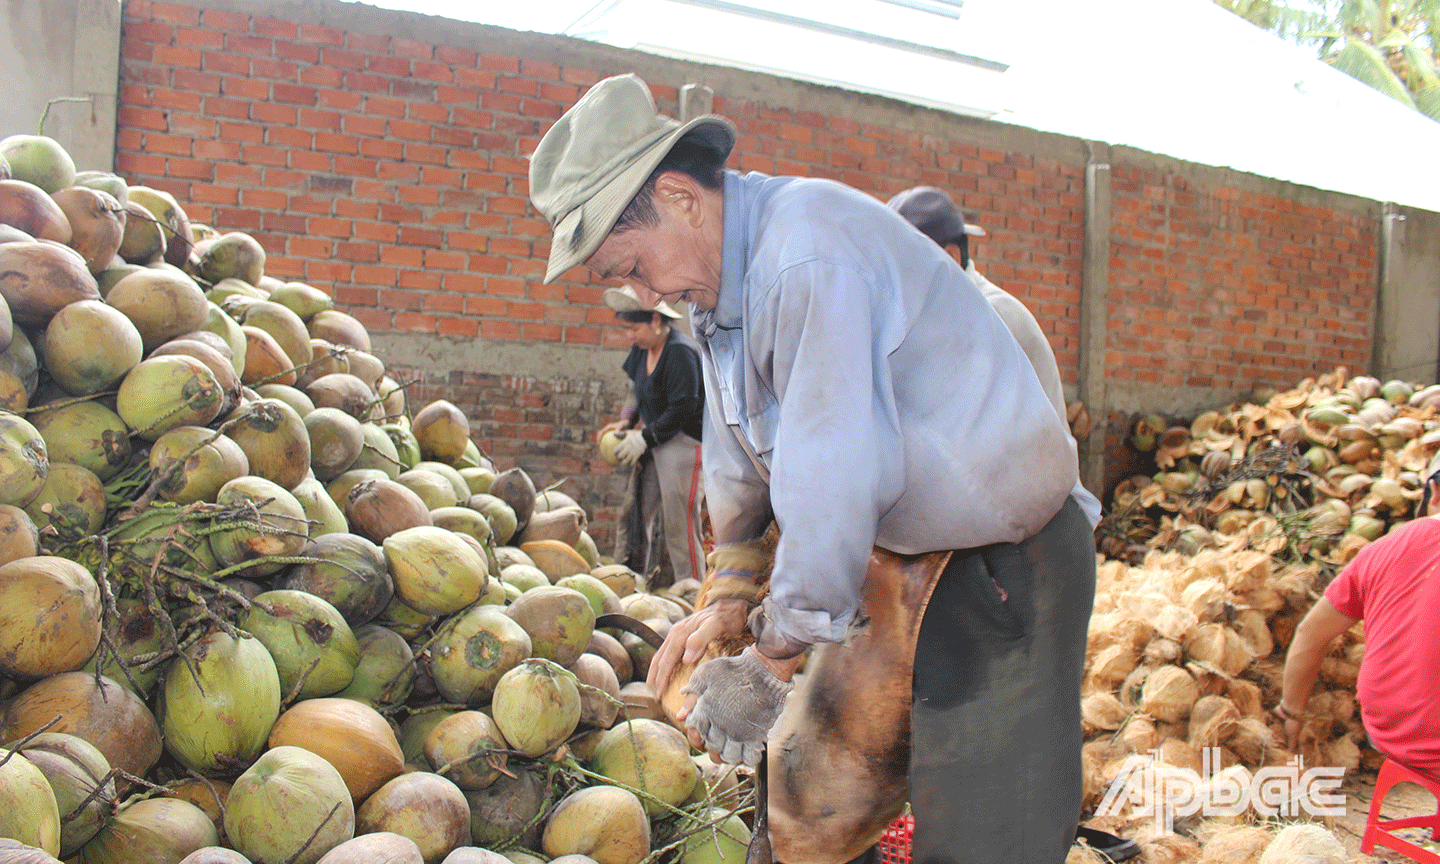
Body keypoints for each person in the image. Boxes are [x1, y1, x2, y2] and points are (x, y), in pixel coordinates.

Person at [528, 73, 1097, 864]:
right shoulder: (715, 298)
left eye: (631, 264)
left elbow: (833, 473)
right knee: (807, 808)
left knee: (985, 836)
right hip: (890, 563)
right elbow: (737, 457)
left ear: (680, 198)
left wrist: (773, 658)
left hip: (999, 568)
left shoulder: (805, 259)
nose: (639, 290)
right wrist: (730, 592)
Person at [886, 185, 1103, 528]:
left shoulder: (992, 317)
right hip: (997, 511)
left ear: (950, 258)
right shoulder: (943, 315)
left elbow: (956, 447)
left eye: (904, 264)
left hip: (1038, 527)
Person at [1276, 461, 1440, 779]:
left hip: (1389, 735)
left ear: (1434, 492)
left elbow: (1310, 633)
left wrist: (1290, 713)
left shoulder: (1382, 549)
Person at [597, 284, 707, 588]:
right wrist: (625, 421)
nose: (630, 335)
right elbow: (635, 390)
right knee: (634, 514)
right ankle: (627, 583)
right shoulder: (642, 349)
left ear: (656, 321)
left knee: (679, 523)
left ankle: (693, 592)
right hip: (652, 439)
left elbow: (684, 407)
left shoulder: (681, 353)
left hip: (684, 443)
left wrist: (645, 437)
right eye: (627, 329)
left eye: (634, 329)